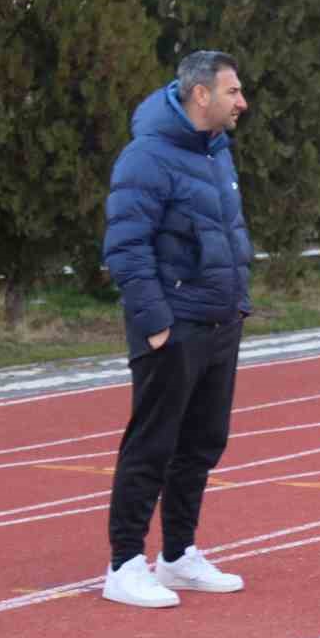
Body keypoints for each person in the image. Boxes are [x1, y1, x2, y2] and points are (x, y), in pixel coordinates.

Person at [100, 50, 253, 608]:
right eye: (233, 92)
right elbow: (125, 247)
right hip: (174, 325)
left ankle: (178, 557)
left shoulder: (215, 152)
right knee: (153, 444)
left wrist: (236, 304)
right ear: (200, 95)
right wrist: (157, 324)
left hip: (220, 320)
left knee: (202, 443)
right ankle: (123, 565)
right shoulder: (147, 157)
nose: (243, 102)